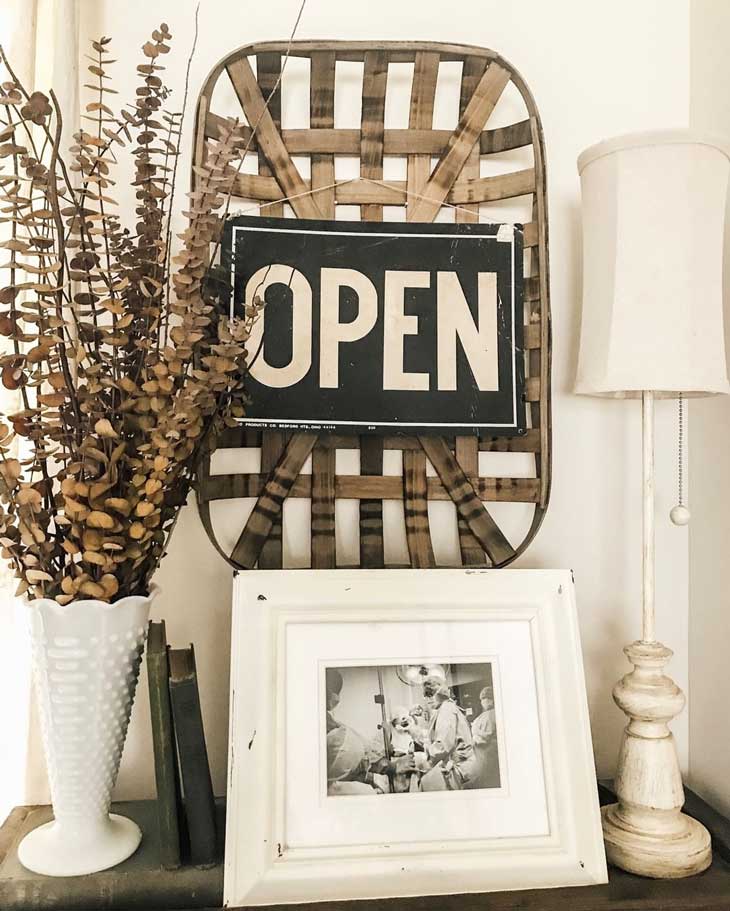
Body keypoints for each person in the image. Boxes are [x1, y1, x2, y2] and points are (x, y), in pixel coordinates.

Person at [419, 675, 479, 791]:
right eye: (425, 695)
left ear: (441, 692)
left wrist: (427, 761)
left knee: (425, 784)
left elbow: (443, 745)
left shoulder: (446, 709)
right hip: (465, 766)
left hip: (461, 768)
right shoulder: (447, 708)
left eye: (431, 694)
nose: (428, 699)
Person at [471, 686, 500, 788]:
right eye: (482, 699)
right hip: (485, 754)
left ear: (491, 700)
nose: (483, 702)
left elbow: (484, 737)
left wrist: (474, 737)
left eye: (485, 699)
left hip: (488, 752)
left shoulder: (491, 714)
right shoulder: (486, 714)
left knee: (488, 778)